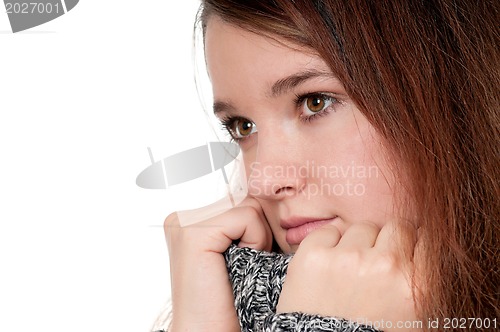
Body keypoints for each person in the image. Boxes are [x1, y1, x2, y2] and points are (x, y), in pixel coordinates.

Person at [157, 1, 499, 331]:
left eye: (314, 102)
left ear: (452, 99)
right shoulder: (233, 297)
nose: (263, 181)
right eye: (243, 126)